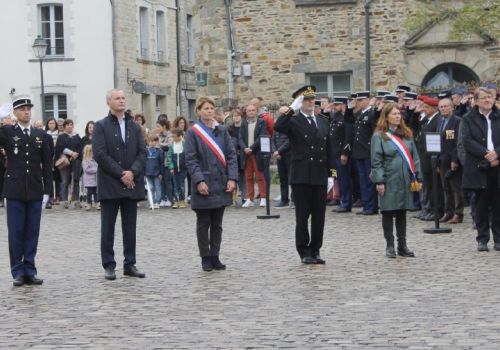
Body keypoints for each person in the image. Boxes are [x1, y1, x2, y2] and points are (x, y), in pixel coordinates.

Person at [274, 85, 334, 265]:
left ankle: (315, 249)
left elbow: (330, 150)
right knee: (302, 217)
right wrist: (292, 108)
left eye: (312, 99)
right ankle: (304, 251)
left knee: (319, 217)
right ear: (300, 102)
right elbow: (278, 126)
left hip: (319, 175)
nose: (310, 102)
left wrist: (332, 174)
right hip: (301, 176)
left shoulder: (323, 121)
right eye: (306, 99)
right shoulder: (293, 121)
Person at [92, 89, 147, 280]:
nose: (122, 101)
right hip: (110, 183)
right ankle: (109, 264)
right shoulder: (100, 126)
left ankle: (129, 263)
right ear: (109, 102)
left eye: (123, 98)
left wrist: (132, 172)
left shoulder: (133, 126)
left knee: (130, 227)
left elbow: (142, 152)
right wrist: (121, 173)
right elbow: (100, 154)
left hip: (131, 183)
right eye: (117, 98)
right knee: (108, 227)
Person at [0, 96, 53, 286]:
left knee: (32, 232)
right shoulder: (6, 132)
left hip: (35, 190)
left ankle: (30, 269)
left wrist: (48, 191)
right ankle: (17, 271)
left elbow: (47, 166)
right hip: (14, 190)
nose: (26, 112)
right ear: (15, 112)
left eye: (28, 108)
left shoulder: (41, 136)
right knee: (16, 232)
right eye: (22, 109)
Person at [185, 96, 238, 271]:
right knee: (203, 223)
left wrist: (232, 178)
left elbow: (231, 155)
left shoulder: (222, 131)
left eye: (211, 108)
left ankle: (215, 255)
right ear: (199, 111)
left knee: (217, 223)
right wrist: (199, 180)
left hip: (221, 183)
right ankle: (205, 257)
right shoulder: (193, 132)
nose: (209, 111)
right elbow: (191, 159)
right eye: (206, 108)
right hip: (204, 183)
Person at [371, 102, 421, 258]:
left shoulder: (406, 134)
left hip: (404, 179)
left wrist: (418, 177)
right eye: (394, 114)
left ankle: (402, 245)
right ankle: (390, 246)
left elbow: (415, 158)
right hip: (388, 179)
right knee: (387, 212)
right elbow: (376, 160)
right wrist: (379, 181)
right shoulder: (379, 136)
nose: (397, 116)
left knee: (401, 212)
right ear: (386, 117)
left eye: (399, 114)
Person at [461, 87, 500, 252]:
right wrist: (486, 154)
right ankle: (482, 239)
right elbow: (467, 140)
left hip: (498, 165)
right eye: (483, 97)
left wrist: (496, 153)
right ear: (476, 101)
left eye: (490, 97)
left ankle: (499, 239)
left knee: (498, 205)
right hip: (479, 166)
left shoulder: (498, 116)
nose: (487, 100)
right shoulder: (468, 118)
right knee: (481, 205)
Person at [349, 91, 379, 215]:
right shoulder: (360, 114)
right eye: (358, 100)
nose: (358, 102)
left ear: (368, 100)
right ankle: (366, 205)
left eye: (361, 100)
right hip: (359, 151)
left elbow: (375, 132)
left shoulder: (372, 113)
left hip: (368, 151)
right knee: (362, 180)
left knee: (369, 180)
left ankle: (372, 206)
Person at [436, 98, 464, 224]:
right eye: (441, 107)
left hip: (453, 160)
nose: (443, 109)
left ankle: (458, 214)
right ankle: (448, 212)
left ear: (452, 107)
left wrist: (455, 160)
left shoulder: (457, 121)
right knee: (445, 187)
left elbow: (458, 142)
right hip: (442, 159)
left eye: (445, 106)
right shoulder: (440, 121)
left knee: (456, 188)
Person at [239, 103, 268, 208]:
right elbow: (240, 138)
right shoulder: (243, 123)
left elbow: (262, 136)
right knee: (248, 177)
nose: (251, 112)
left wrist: (252, 148)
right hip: (246, 154)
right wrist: (244, 148)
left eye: (252, 110)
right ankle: (250, 199)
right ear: (246, 112)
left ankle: (263, 198)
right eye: (249, 110)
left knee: (260, 176)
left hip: (257, 153)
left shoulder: (262, 122)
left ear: (256, 111)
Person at [329, 96, 354, 213]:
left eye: (337, 105)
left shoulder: (346, 118)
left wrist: (345, 153)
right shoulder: (335, 117)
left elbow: (348, 137)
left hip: (341, 154)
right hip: (334, 153)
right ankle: (342, 200)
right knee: (338, 177)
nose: (334, 107)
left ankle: (346, 203)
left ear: (343, 105)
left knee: (344, 179)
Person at [55, 119, 82, 208]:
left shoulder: (77, 136)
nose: (70, 126)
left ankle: (76, 201)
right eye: (68, 125)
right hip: (65, 162)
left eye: (71, 124)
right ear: (64, 126)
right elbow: (60, 147)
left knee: (76, 181)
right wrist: (71, 153)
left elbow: (80, 147)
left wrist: (75, 154)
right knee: (65, 181)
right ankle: (64, 201)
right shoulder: (61, 137)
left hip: (76, 161)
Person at [271, 119, 291, 208]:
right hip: (279, 156)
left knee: (292, 179)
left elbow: (290, 141)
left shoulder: (291, 125)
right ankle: (284, 200)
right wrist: (275, 151)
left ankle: (294, 200)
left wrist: (279, 151)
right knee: (283, 179)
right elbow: (272, 140)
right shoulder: (277, 127)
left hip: (289, 155)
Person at [168, 129, 188, 208]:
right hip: (175, 169)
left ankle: (182, 200)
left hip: (183, 168)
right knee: (175, 185)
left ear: (180, 136)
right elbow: (169, 157)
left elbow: (187, 155)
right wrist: (171, 167)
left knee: (181, 185)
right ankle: (176, 201)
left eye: (174, 136)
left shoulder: (184, 144)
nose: (173, 138)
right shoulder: (171, 145)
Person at [145, 134, 164, 209]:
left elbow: (161, 163)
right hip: (148, 173)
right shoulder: (145, 151)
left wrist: (161, 173)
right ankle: (152, 202)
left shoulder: (159, 151)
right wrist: (144, 173)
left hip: (156, 173)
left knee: (157, 187)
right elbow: (143, 162)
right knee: (151, 188)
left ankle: (157, 202)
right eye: (150, 141)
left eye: (153, 141)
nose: (151, 143)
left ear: (156, 142)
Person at [82, 144, 99, 210]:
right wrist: (96, 170)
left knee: (96, 192)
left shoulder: (95, 160)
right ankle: (89, 203)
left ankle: (96, 203)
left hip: (95, 179)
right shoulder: (85, 160)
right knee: (89, 192)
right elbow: (86, 169)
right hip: (89, 180)